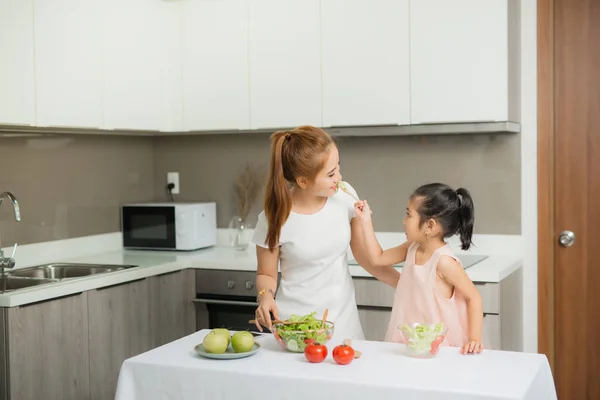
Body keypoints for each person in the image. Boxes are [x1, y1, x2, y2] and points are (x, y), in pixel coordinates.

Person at [251, 125, 398, 341]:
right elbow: (267, 274)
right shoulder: (274, 218)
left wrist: (406, 283)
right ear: (302, 181)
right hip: (296, 328)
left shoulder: (345, 196)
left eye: (338, 167)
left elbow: (367, 258)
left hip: (343, 324)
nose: (339, 177)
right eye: (330, 174)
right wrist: (265, 297)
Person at [354, 183, 485, 354]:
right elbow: (377, 258)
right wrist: (365, 221)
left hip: (440, 348)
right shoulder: (412, 247)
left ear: (429, 226)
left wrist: (474, 339)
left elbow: (474, 297)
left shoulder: (444, 262)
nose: (404, 220)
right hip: (408, 342)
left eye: (409, 215)